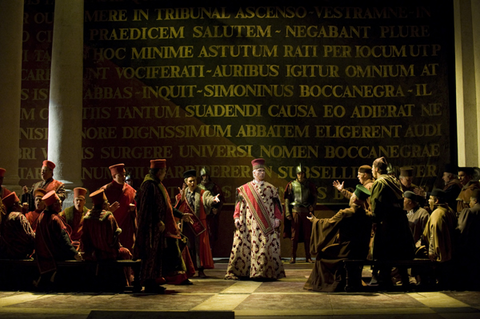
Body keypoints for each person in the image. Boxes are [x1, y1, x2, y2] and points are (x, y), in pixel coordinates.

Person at [136, 159, 194, 292]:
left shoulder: (157, 184)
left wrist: (181, 215)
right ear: (159, 171)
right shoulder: (149, 185)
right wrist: (157, 221)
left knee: (157, 256)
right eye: (164, 171)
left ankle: (153, 281)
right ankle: (148, 281)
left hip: (158, 229)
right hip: (151, 229)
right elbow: (148, 207)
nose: (165, 174)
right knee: (150, 254)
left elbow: (166, 206)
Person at [225, 158, 285, 280]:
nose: (262, 173)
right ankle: (247, 272)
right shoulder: (244, 189)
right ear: (254, 173)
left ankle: (264, 272)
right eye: (259, 171)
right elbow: (238, 205)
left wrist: (277, 219)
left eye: (263, 171)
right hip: (249, 224)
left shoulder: (271, 188)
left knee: (265, 247)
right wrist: (236, 217)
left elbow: (277, 206)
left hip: (267, 224)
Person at [304, 185, 372, 292]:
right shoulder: (368, 215)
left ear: (354, 199)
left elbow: (328, 224)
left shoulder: (345, 213)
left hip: (346, 250)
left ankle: (327, 284)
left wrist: (315, 221)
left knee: (322, 255)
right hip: (361, 251)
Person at [370, 157, 414, 288]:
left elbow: (376, 204)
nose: (372, 171)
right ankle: (404, 281)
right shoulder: (393, 180)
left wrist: (374, 221)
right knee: (398, 253)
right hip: (399, 223)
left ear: (377, 169)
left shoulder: (380, 183)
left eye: (372, 168)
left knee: (384, 253)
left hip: (387, 224)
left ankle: (385, 281)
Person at [175, 169, 220, 278]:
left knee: (200, 248)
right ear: (186, 182)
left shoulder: (202, 192)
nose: (192, 183)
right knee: (188, 247)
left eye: (194, 180)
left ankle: (200, 270)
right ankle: (189, 270)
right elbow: (177, 208)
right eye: (190, 181)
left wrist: (213, 200)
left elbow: (208, 199)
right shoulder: (182, 194)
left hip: (199, 225)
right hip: (186, 226)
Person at [34, 190, 82, 289]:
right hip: (56, 254)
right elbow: (63, 239)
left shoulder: (41, 216)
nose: (61, 204)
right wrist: (74, 253)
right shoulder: (55, 219)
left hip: (43, 254)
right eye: (59, 202)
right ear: (54, 205)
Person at [421, 189, 457, 289]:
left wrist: (432, 251)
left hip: (440, 251)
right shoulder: (449, 210)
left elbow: (434, 233)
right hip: (449, 250)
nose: (428, 201)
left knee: (441, 276)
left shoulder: (437, 213)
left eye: (430, 199)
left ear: (436, 201)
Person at [284, 163, 317, 263]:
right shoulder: (291, 185)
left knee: (307, 235)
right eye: (299, 173)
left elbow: (314, 197)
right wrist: (287, 212)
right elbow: (287, 199)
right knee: (294, 236)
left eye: (302, 173)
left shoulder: (309, 185)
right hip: (295, 211)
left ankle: (308, 256)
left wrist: (313, 206)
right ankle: (293, 257)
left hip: (306, 211)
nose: (300, 175)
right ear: (296, 174)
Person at [101, 163, 137, 254]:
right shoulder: (105, 190)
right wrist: (108, 211)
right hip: (111, 228)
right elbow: (98, 211)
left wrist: (133, 209)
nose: (123, 177)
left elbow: (135, 207)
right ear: (114, 176)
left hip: (126, 229)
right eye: (120, 175)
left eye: (124, 175)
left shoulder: (130, 190)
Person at [456, 189, 480, 290]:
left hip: (471, 247)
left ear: (474, 200)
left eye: (470, 201)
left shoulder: (469, 212)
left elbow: (462, 230)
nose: (469, 203)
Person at [0, 192, 35, 259]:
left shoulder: (5, 217)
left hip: (6, 256)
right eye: (19, 204)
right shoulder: (18, 216)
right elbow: (30, 236)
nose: (21, 206)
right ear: (14, 206)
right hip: (20, 255)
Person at [199, 166, 224, 246]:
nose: (205, 177)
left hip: (211, 215)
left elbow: (221, 200)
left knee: (211, 234)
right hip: (201, 214)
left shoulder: (214, 187)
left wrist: (217, 209)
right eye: (203, 176)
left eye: (206, 175)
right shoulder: (198, 187)